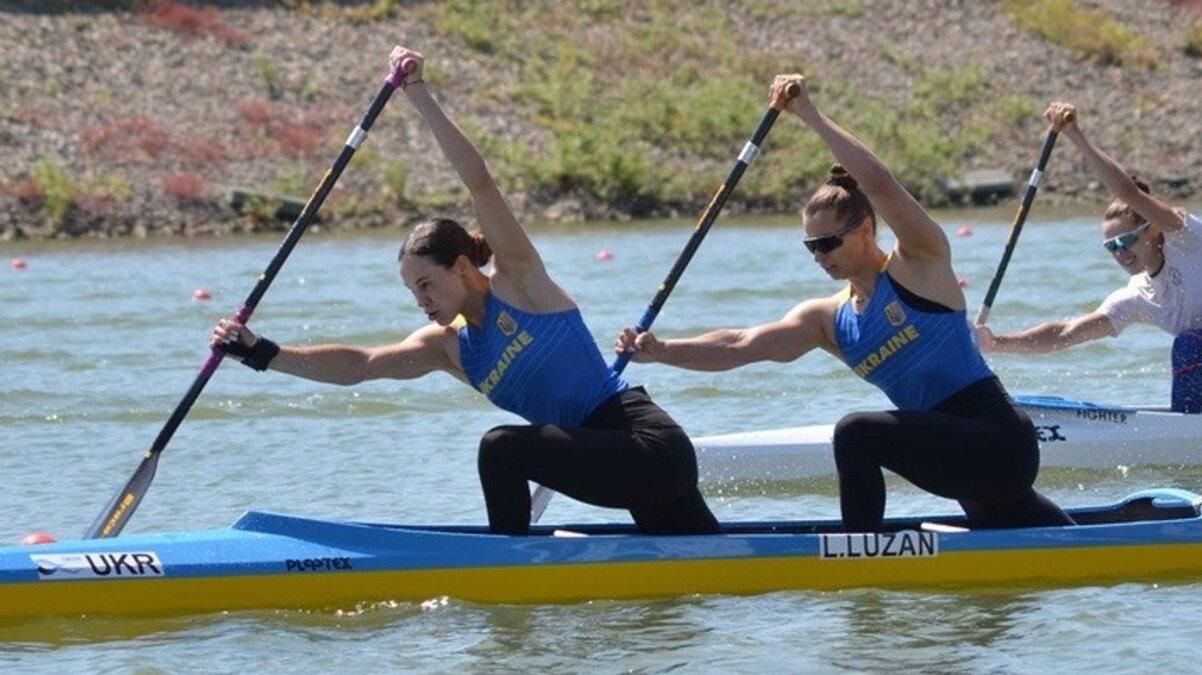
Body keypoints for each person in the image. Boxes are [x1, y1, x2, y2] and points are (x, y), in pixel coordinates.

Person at [211, 46, 720, 536]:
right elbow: (359, 366)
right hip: (615, 463)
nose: (421, 300)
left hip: (647, 442)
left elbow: (481, 184)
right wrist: (260, 353)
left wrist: (419, 94)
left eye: (427, 284)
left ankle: (506, 569)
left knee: (500, 447)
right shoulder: (449, 347)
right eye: (413, 291)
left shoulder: (519, 281)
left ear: (461, 268)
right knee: (713, 566)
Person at [616, 74, 1074, 532]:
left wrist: (807, 114)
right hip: (955, 458)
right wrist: (663, 351)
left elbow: (877, 182)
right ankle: (1125, 538)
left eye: (830, 243)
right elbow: (740, 344)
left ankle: (859, 554)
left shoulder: (919, 264)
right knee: (1035, 536)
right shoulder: (828, 320)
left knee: (856, 433)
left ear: (867, 229)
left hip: (999, 440)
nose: (821, 256)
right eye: (811, 247)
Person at [977, 102, 1202, 413]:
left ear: (1151, 230)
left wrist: (1074, 134)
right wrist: (996, 343)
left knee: (1189, 345)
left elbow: (1128, 193)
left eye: (1124, 240)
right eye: (1111, 246)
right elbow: (1066, 333)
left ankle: (1187, 432)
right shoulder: (1138, 296)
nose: (1119, 252)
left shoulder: (1186, 239)